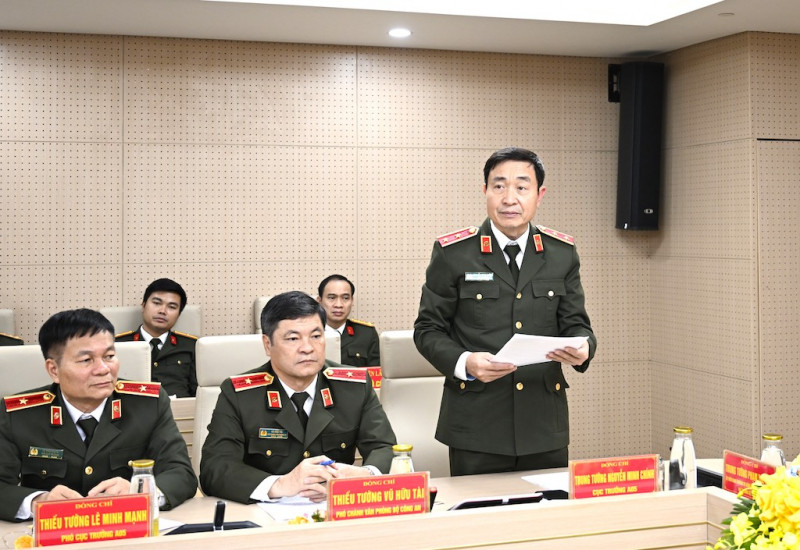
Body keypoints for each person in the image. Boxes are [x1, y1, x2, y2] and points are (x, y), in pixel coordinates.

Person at [413, 147, 597, 476]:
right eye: (499, 186)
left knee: (548, 509)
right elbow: (427, 330)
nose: (509, 198)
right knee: (478, 510)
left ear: (539, 195)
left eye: (522, 187)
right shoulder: (454, 253)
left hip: (543, 425)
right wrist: (465, 362)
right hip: (476, 426)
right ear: (485, 190)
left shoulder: (561, 253)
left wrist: (584, 347)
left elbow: (577, 325)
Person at [0, 308, 197, 522]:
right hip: (52, 532)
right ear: (54, 370)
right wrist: (38, 501)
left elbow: (181, 473)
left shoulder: (148, 404)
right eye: (86, 360)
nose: (103, 369)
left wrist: (140, 492)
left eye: (109, 356)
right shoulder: (18, 415)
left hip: (128, 529)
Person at [199, 291, 396, 504]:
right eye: (293, 338)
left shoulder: (353, 387)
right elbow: (215, 468)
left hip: (334, 509)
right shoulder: (240, 394)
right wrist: (280, 484)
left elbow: (384, 448)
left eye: (316, 336)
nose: (308, 348)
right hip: (264, 514)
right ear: (267, 344)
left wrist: (365, 475)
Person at [116, 278, 197, 397]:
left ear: (179, 314)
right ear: (143, 306)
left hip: (180, 408)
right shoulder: (118, 345)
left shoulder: (192, 346)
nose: (162, 311)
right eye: (157, 303)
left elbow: (198, 393)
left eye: (172, 307)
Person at [316, 274, 380, 367]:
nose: (338, 305)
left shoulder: (366, 334)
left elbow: (375, 372)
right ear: (319, 301)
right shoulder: (309, 333)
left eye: (345, 298)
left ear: (352, 301)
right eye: (331, 298)